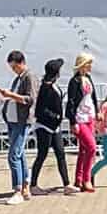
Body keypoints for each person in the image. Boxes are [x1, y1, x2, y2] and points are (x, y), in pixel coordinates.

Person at [0, 51, 34, 205]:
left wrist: (10, 95)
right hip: (13, 120)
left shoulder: (29, 77)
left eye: (15, 67)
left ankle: (18, 190)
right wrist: (2, 96)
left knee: (13, 155)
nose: (13, 70)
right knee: (19, 155)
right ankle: (25, 185)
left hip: (22, 121)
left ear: (21, 62)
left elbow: (29, 99)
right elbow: (14, 98)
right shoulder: (18, 79)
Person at [31, 58, 75, 196]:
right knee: (42, 155)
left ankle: (67, 184)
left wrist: (58, 119)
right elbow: (40, 109)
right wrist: (55, 116)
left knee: (61, 154)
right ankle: (33, 185)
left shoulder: (54, 85)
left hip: (55, 127)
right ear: (56, 72)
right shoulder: (45, 87)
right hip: (44, 126)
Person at [65, 52, 99, 193]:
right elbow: (71, 102)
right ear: (82, 65)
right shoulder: (75, 81)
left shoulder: (88, 78)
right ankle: (86, 179)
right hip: (79, 118)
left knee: (84, 150)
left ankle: (78, 179)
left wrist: (97, 111)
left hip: (89, 117)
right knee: (92, 148)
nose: (91, 66)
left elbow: (93, 97)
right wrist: (73, 122)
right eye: (88, 63)